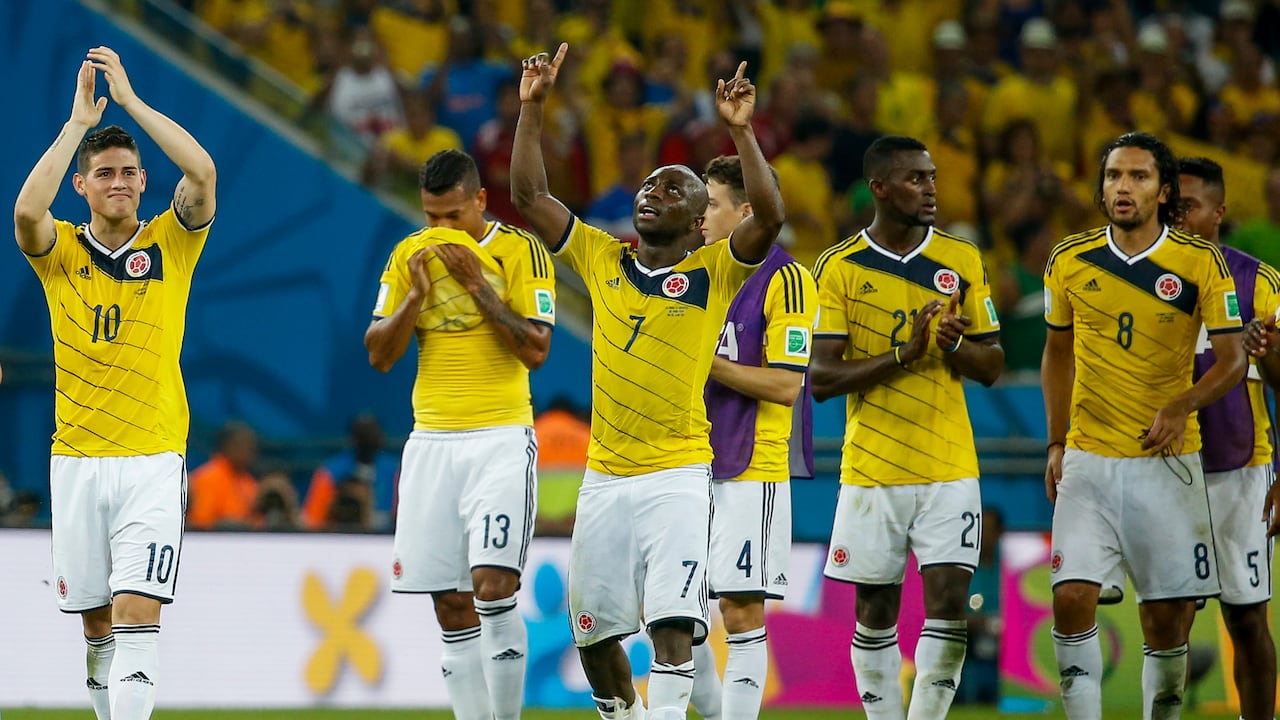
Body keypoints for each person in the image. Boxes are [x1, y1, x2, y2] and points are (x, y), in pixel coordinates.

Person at [512, 46, 783, 720]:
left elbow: (769, 218)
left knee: (671, 627)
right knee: (595, 639)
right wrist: (532, 108)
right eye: (647, 187)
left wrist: (742, 131)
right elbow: (527, 198)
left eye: (670, 189)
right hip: (605, 479)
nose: (650, 193)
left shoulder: (714, 273)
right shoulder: (602, 257)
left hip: (678, 477)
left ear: (699, 222)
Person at [12, 48, 216, 720]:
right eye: (105, 173)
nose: (120, 181)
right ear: (84, 185)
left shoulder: (170, 241)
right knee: (97, 627)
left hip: (152, 459)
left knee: (136, 613)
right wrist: (77, 125)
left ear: (143, 179)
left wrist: (129, 103)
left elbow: (203, 171)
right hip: (75, 461)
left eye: (129, 171)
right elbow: (24, 213)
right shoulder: (62, 250)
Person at [1041, 133, 1245, 720]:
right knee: (1072, 597)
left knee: (1166, 619)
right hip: (1088, 461)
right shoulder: (1069, 259)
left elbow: (1231, 360)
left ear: (1163, 191)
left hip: (1169, 466)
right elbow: (1058, 353)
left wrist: (1183, 403)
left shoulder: (1198, 262)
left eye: (1136, 177)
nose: (1122, 188)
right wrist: (1056, 441)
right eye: (1112, 177)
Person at [810, 135, 1005, 720]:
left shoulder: (961, 260)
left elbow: (992, 364)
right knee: (875, 610)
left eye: (932, 177)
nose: (930, 189)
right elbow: (820, 379)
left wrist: (951, 347)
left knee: (948, 603)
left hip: (949, 465)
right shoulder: (839, 267)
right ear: (879, 187)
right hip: (872, 469)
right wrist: (905, 352)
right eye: (916, 178)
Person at [364, 148, 556, 720]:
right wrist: (416, 298)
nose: (442, 230)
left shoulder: (520, 251)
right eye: (432, 217)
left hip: (498, 436)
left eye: (453, 216)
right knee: (449, 602)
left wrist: (477, 285)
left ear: (480, 200)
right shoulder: (408, 256)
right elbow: (378, 355)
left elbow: (536, 349)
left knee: (493, 587)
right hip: (431, 443)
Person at [687, 154, 816, 720]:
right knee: (675, 616)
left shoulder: (786, 279)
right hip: (685, 462)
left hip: (750, 466)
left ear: (746, 211)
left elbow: (786, 385)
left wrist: (703, 362)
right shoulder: (693, 272)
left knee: (740, 613)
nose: (700, 216)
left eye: (711, 204)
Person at [1178, 156, 1279, 720]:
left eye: (1189, 207)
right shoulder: (1148, 280)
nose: (1178, 217)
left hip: (1241, 469)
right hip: (1166, 469)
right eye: (1173, 207)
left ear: (1219, 212)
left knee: (1246, 618)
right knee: (1167, 618)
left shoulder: (1258, 281)